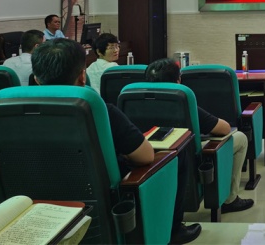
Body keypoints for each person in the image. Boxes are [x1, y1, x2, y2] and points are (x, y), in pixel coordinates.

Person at [31, 39, 201, 244]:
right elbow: (145, 156)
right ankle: (172, 230)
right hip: (104, 203)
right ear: (83, 76)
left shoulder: (6, 113)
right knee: (177, 156)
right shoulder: (98, 111)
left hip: (32, 210)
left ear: (36, 79)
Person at [145, 59, 254, 214]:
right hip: (187, 157)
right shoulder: (182, 101)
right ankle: (230, 200)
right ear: (178, 81)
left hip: (149, 159)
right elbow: (224, 128)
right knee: (241, 138)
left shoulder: (134, 100)